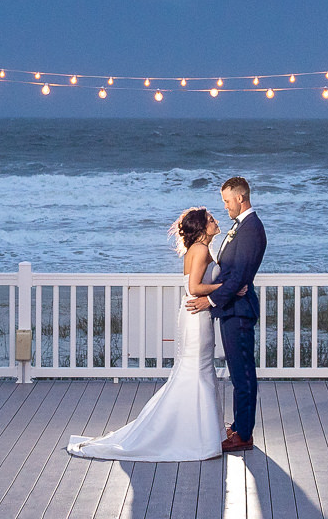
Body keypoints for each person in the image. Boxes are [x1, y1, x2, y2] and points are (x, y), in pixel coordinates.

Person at [66, 206, 226, 461]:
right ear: (200, 228)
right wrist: (226, 286)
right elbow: (195, 287)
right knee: (196, 370)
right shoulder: (201, 249)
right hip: (196, 316)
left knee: (199, 370)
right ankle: (197, 438)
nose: (215, 221)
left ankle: (201, 434)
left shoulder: (198, 250)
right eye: (210, 219)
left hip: (195, 314)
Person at [185, 176, 265, 452]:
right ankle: (240, 425)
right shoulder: (239, 228)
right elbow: (231, 275)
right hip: (232, 308)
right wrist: (222, 293)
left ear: (240, 198)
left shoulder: (251, 228)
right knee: (237, 372)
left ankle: (244, 434)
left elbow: (240, 275)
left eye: (227, 201)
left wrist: (210, 300)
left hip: (239, 311)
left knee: (243, 373)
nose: (226, 207)